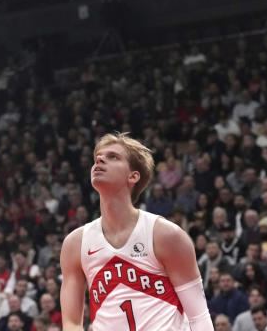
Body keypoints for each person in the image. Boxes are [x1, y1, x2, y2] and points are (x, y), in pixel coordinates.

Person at [60, 133, 214, 330]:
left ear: (133, 176)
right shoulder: (75, 243)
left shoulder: (166, 235)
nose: (99, 159)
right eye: (97, 157)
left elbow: (199, 317)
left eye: (113, 157)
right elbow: (72, 323)